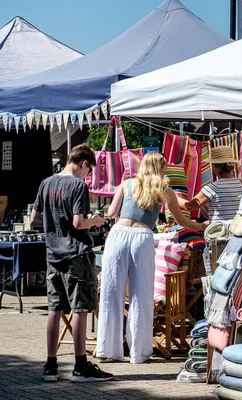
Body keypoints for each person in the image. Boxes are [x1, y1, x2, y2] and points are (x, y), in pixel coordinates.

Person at [96, 152, 204, 364]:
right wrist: (200, 226)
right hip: (142, 237)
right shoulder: (165, 190)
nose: (165, 171)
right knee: (141, 294)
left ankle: (107, 350)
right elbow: (182, 221)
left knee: (111, 292)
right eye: (164, 168)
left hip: (117, 235)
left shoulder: (126, 184)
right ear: (160, 168)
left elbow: (110, 213)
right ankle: (139, 352)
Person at [31, 144, 113, 383]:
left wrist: (53, 225)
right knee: (80, 308)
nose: (87, 176)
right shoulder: (77, 186)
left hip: (53, 254)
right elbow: (78, 223)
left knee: (54, 310)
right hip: (76, 253)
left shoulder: (46, 183)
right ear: (85, 163)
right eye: (89, 172)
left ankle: (50, 365)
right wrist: (96, 221)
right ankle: (80, 366)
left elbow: (35, 219)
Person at [184, 145, 242, 225]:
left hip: (220, 234)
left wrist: (174, 198)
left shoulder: (213, 188)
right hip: (237, 230)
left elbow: (189, 206)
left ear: (216, 167)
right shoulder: (241, 184)